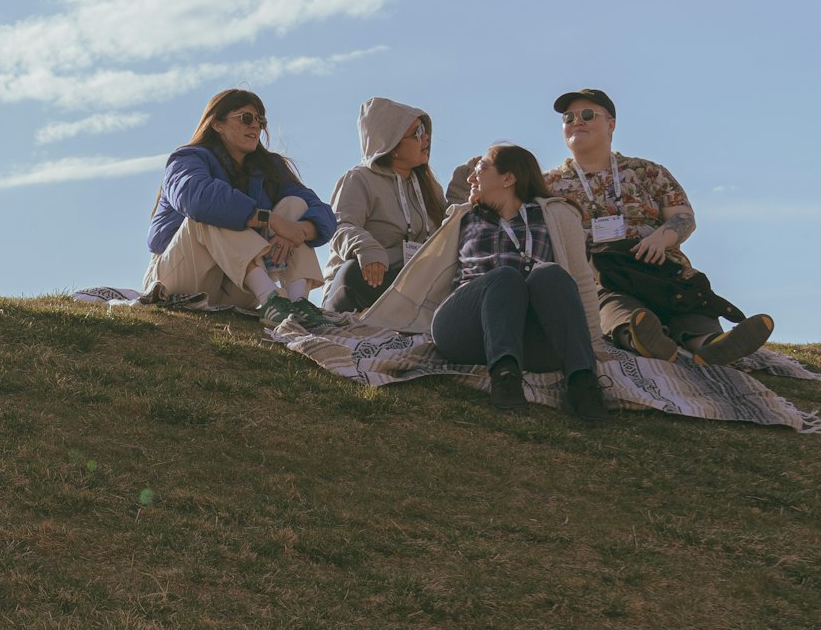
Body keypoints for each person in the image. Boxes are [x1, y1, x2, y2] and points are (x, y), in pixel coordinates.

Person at [362, 144, 611, 423]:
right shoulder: (464, 217)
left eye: (480, 169)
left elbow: (582, 283)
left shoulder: (557, 215)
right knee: (504, 277)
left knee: (550, 273)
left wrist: (592, 345)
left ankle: (583, 384)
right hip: (466, 329)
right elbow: (426, 277)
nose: (471, 178)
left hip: (533, 335)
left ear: (508, 178)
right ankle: (505, 377)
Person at [544, 88, 773, 366]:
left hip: (658, 265)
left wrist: (660, 239)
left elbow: (684, 216)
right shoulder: (548, 186)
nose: (576, 121)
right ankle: (640, 337)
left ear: (611, 125)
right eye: (568, 117)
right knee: (615, 304)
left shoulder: (647, 171)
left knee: (687, 300)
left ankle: (712, 344)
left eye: (587, 115)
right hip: (602, 273)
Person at [145, 88, 336, 331]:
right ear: (217, 124)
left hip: (236, 286)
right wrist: (270, 220)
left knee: (296, 205)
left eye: (261, 120)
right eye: (246, 118)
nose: (255, 126)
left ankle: (297, 303)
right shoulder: (186, 159)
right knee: (212, 209)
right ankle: (270, 296)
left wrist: (299, 230)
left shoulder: (269, 168)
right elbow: (196, 199)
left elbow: (321, 211)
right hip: (178, 278)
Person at [322, 97, 447, 314]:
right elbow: (340, 226)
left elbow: (449, 232)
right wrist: (367, 248)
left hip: (414, 284)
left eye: (425, 130)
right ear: (391, 144)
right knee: (353, 272)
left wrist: (465, 189)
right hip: (370, 282)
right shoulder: (359, 179)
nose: (426, 138)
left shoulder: (429, 187)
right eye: (417, 133)